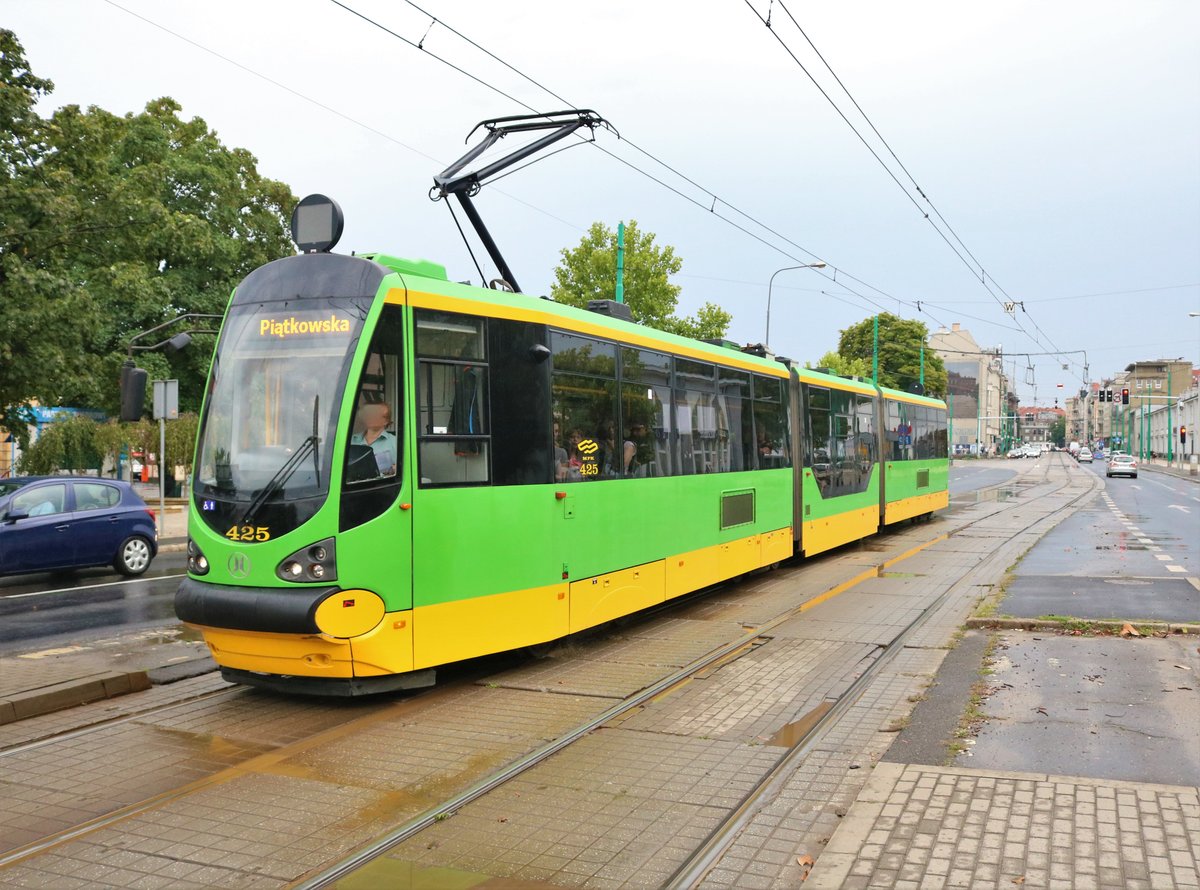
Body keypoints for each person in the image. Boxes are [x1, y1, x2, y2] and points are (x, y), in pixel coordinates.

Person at [350, 402, 397, 476]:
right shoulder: (352, 440)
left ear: (386, 421)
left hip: (382, 486)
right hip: (354, 486)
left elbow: (407, 469)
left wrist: (396, 469)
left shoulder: (395, 442)